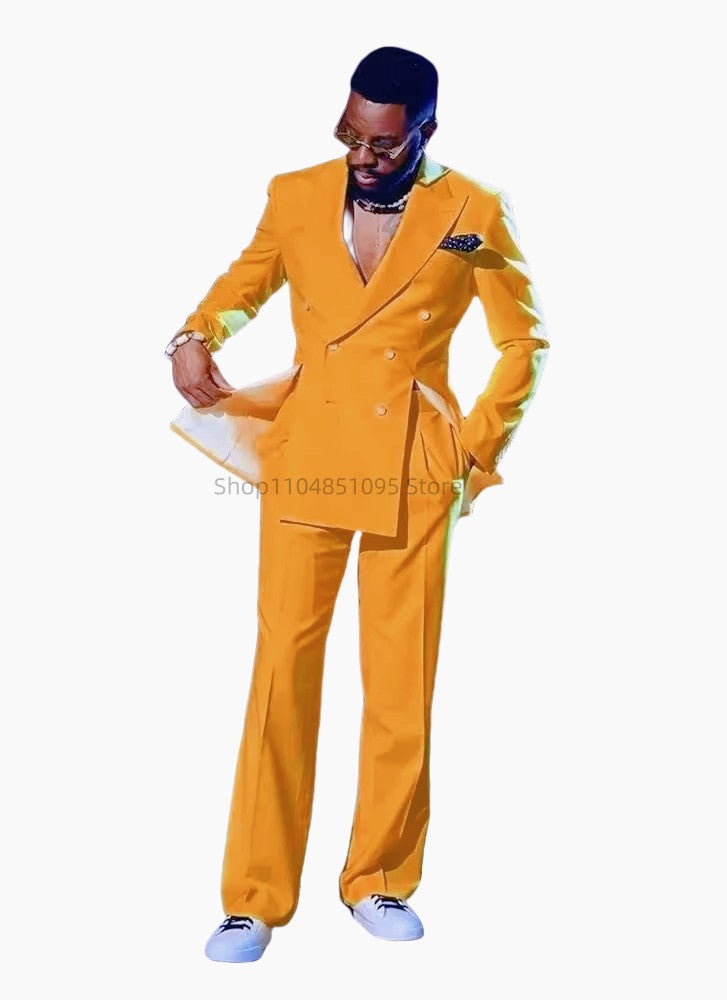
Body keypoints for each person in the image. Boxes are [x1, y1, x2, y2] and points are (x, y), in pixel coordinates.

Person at [166, 46, 549, 962]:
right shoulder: (296, 193)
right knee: (281, 671)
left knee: (401, 679)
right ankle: (254, 897)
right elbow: (246, 282)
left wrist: (472, 447)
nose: (361, 156)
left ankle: (379, 876)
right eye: (349, 134)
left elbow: (524, 340)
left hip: (414, 463)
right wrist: (192, 334)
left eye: (383, 143)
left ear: (426, 131)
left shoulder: (473, 211)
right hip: (311, 454)